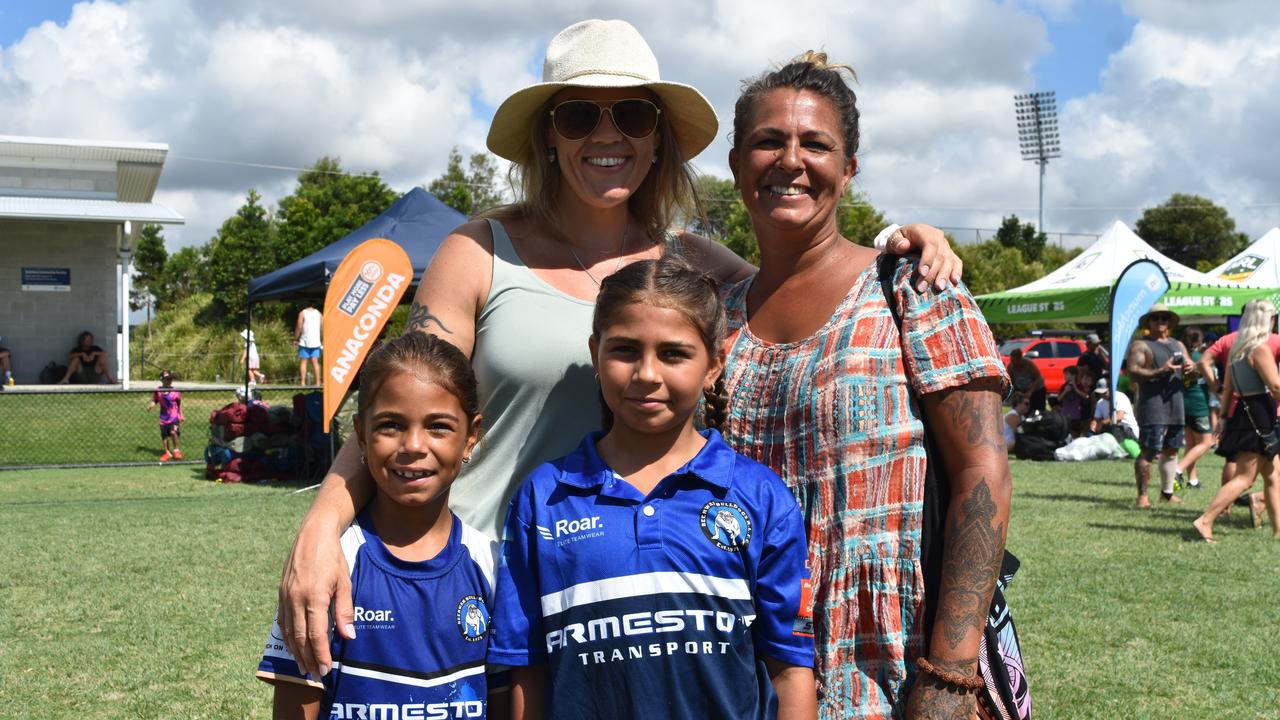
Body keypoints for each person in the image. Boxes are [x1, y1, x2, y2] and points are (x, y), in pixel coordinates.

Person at [275, 18, 964, 686]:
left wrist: (897, 242)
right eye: (579, 116)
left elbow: (797, 279)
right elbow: (406, 399)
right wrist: (323, 522)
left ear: (658, 138)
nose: (607, 135)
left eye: (632, 115)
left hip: (614, 609)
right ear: (548, 135)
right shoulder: (480, 250)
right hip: (478, 586)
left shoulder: (691, 264)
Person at [719, 52, 1011, 718]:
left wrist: (951, 673)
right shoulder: (717, 314)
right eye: (768, 141)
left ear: (847, 169)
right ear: (737, 165)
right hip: (749, 660)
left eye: (815, 144)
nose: (790, 160)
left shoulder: (913, 287)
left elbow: (982, 467)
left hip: (889, 656)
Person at [490, 257, 816, 719]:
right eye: (624, 350)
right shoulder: (544, 498)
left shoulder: (760, 498)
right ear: (594, 353)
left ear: (714, 365)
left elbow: (790, 669)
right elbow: (528, 668)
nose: (646, 373)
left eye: (673, 353)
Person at [256, 332, 507, 718]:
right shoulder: (327, 567)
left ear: (470, 437)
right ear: (361, 434)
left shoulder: (491, 567)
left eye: (438, 426)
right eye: (390, 425)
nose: (413, 445)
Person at [1193, 299, 1280, 542]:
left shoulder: (1238, 350)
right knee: (1245, 478)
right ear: (1267, 320)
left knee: (1273, 475)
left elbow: (1228, 388)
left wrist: (1222, 416)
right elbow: (1275, 386)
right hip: (1259, 413)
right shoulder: (1259, 349)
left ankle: (1278, 531)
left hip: (1244, 411)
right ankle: (1205, 520)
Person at [1125, 304, 1192, 508]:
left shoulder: (1178, 344)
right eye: (1156, 318)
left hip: (1176, 403)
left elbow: (1190, 371)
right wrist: (1160, 371)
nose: (1160, 322)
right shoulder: (1141, 345)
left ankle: (1167, 493)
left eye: (1164, 318)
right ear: (1149, 322)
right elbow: (1133, 372)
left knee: (1172, 450)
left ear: (1170, 322)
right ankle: (1142, 497)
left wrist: (1192, 369)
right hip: (1153, 405)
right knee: (1149, 450)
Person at [1176, 327, 1213, 489]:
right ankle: (1177, 470)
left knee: (1191, 444)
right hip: (1198, 405)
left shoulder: (1182, 359)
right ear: (1199, 341)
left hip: (1183, 404)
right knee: (1206, 442)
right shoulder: (1201, 358)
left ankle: (1193, 480)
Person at [146, 370, 184, 461]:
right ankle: (167, 452)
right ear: (162, 380)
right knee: (164, 436)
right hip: (163, 417)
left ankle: (176, 450)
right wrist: (151, 405)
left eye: (170, 379)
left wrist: (181, 414)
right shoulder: (158, 391)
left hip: (174, 416)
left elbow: (179, 403)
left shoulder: (175, 391)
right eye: (167, 379)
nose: (169, 381)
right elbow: (155, 400)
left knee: (173, 432)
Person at [1006, 347, 1046, 413]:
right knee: (1021, 408)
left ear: (1020, 359)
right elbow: (1011, 380)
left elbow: (1037, 378)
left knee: (1037, 409)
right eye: (1011, 360)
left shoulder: (1029, 364)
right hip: (1022, 389)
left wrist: (1030, 392)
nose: (1013, 363)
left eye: (1014, 361)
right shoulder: (1011, 366)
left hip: (1037, 389)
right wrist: (1014, 391)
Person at [1058, 365, 1091, 437]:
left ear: (1073, 375)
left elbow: (1086, 396)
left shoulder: (1079, 386)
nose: (1065, 377)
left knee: (1075, 434)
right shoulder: (1064, 386)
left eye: (1067, 375)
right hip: (1065, 415)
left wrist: (1075, 388)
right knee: (1065, 434)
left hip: (1076, 416)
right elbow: (1059, 399)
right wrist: (1065, 391)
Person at [295, 305, 323, 385]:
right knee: (315, 362)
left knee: (303, 362)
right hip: (316, 341)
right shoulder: (319, 314)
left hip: (305, 341)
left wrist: (296, 338)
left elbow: (299, 327)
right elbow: (322, 326)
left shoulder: (302, 313)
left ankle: (303, 382)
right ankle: (318, 382)